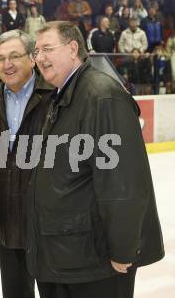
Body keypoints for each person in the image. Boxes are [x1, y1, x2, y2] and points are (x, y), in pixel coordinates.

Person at [30, 20, 164, 298]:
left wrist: (123, 249)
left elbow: (122, 181)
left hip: (97, 261)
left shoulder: (101, 96)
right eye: (36, 51)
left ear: (72, 48)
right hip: (71, 254)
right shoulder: (65, 95)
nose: (40, 57)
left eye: (47, 49)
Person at [0, 30, 55, 298]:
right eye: (1, 58)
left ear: (32, 58)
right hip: (7, 221)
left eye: (15, 56)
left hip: (48, 224)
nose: (7, 64)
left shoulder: (55, 95)